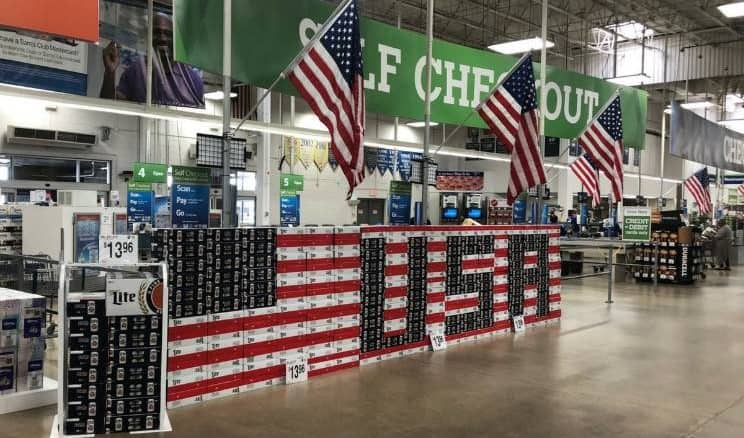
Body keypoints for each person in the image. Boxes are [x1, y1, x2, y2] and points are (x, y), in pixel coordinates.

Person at [100, 13, 204, 108]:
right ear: (148, 37)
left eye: (168, 34)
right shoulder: (135, 72)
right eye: (156, 32)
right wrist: (110, 73)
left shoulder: (192, 80)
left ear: (175, 39)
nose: (162, 38)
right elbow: (109, 109)